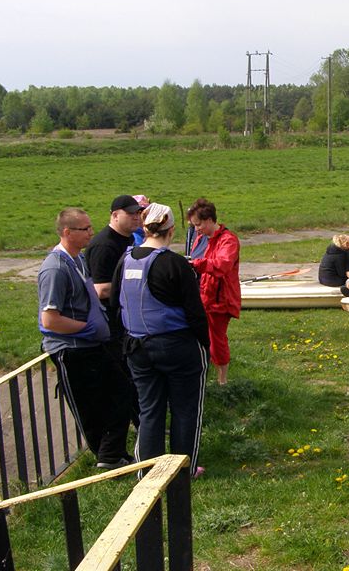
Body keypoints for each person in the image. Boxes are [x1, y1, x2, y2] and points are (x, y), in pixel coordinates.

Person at [113, 203, 210, 478]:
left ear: (144, 228)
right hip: (177, 346)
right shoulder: (175, 263)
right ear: (171, 229)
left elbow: (115, 304)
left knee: (149, 409)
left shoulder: (126, 259)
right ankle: (182, 470)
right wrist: (206, 345)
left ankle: (148, 472)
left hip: (137, 346)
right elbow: (195, 311)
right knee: (185, 409)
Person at [38, 207, 133, 470]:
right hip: (72, 349)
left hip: (92, 344)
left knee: (122, 391)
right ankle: (107, 457)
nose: (92, 232)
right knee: (89, 406)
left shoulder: (77, 259)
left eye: (91, 227)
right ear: (67, 232)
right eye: (85, 229)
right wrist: (86, 327)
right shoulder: (55, 269)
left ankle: (112, 452)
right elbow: (50, 320)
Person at [85, 194, 143, 427]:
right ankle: (131, 425)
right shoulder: (104, 245)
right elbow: (100, 289)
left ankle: (141, 422)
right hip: (110, 324)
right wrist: (139, 283)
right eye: (130, 214)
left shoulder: (127, 240)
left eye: (138, 213)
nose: (136, 218)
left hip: (125, 320)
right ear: (114, 215)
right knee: (123, 379)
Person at [187, 198, 241, 386]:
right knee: (202, 337)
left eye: (199, 224)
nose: (196, 229)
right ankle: (206, 371)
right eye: (194, 226)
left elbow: (222, 265)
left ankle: (222, 381)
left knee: (217, 340)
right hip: (203, 295)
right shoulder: (200, 238)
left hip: (221, 299)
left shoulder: (228, 240)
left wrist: (196, 264)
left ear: (209, 219)